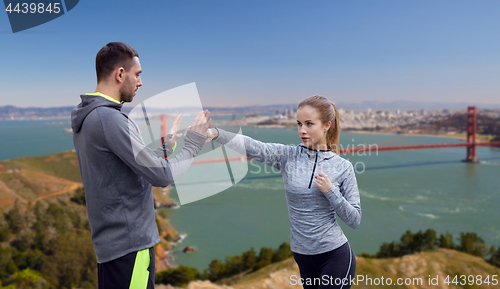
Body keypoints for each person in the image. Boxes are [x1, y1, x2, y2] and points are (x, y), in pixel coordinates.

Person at [71, 42, 211, 289]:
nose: (141, 82)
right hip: (130, 247)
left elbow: (130, 169)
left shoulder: (91, 116)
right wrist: (194, 144)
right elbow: (162, 176)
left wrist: (167, 146)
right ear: (120, 74)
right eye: (138, 74)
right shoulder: (110, 119)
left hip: (115, 247)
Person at [206, 95, 361, 289]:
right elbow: (254, 147)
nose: (302, 130)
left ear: (327, 125)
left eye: (309, 124)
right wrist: (214, 133)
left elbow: (355, 219)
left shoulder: (343, 167)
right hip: (303, 257)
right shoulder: (288, 156)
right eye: (299, 124)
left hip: (335, 255)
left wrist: (331, 192)